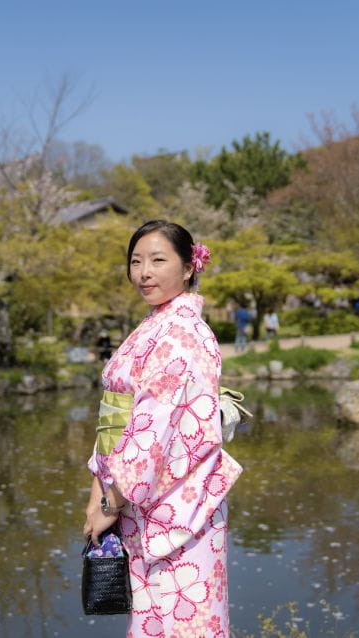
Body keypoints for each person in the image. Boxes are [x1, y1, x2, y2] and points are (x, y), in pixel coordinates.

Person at [83, 220, 242, 637]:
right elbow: (114, 422)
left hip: (175, 501)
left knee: (184, 616)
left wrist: (109, 501)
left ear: (189, 267)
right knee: (158, 616)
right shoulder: (156, 324)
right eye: (136, 262)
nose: (144, 273)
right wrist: (99, 491)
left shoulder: (182, 333)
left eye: (158, 260)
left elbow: (157, 426)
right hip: (140, 495)